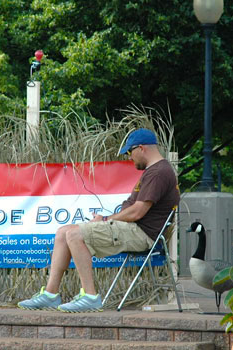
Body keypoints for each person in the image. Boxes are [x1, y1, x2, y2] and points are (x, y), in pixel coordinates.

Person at [17, 128, 180, 312]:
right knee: (63, 232)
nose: (129, 157)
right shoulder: (156, 170)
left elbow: (137, 212)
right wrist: (105, 220)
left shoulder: (158, 172)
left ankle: (90, 296)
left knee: (74, 234)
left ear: (141, 148)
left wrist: (105, 220)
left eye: (129, 152)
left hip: (142, 234)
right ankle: (50, 294)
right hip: (133, 229)